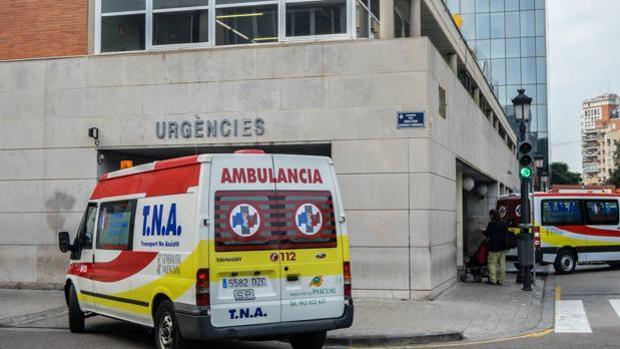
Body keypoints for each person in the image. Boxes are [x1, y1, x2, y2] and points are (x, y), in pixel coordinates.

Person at [483, 209, 509, 285]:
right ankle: (501, 280)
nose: (490, 217)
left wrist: (483, 231)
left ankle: (493, 280)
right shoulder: (504, 222)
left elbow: (487, 234)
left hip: (494, 247)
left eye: (490, 215)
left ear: (492, 215)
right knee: (502, 264)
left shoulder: (491, 224)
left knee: (492, 264)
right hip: (503, 247)